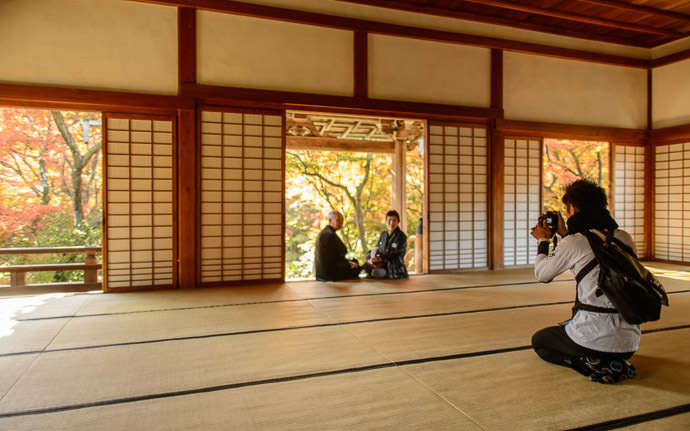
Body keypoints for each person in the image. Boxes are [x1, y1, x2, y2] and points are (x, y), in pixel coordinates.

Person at [530, 178, 639, 384]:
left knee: (541, 341)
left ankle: (590, 363)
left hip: (592, 338)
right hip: (629, 343)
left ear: (572, 208)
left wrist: (543, 241)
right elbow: (592, 247)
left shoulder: (574, 242)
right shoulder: (624, 237)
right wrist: (567, 233)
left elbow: (542, 275)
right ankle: (615, 362)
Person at [314, 211, 362, 281]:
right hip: (329, 274)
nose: (341, 222)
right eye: (338, 220)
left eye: (342, 220)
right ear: (330, 220)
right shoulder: (329, 235)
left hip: (322, 273)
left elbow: (336, 256)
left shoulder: (326, 232)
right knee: (357, 266)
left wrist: (348, 263)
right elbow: (334, 259)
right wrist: (349, 264)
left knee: (354, 263)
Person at [363, 210, 409, 279]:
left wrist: (381, 259)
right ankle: (376, 274)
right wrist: (371, 254)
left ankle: (377, 274)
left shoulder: (401, 236)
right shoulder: (383, 234)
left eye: (394, 220)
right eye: (389, 220)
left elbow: (394, 254)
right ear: (386, 221)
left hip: (394, 266)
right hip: (383, 264)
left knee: (375, 273)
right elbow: (377, 247)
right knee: (365, 266)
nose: (391, 223)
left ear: (398, 222)